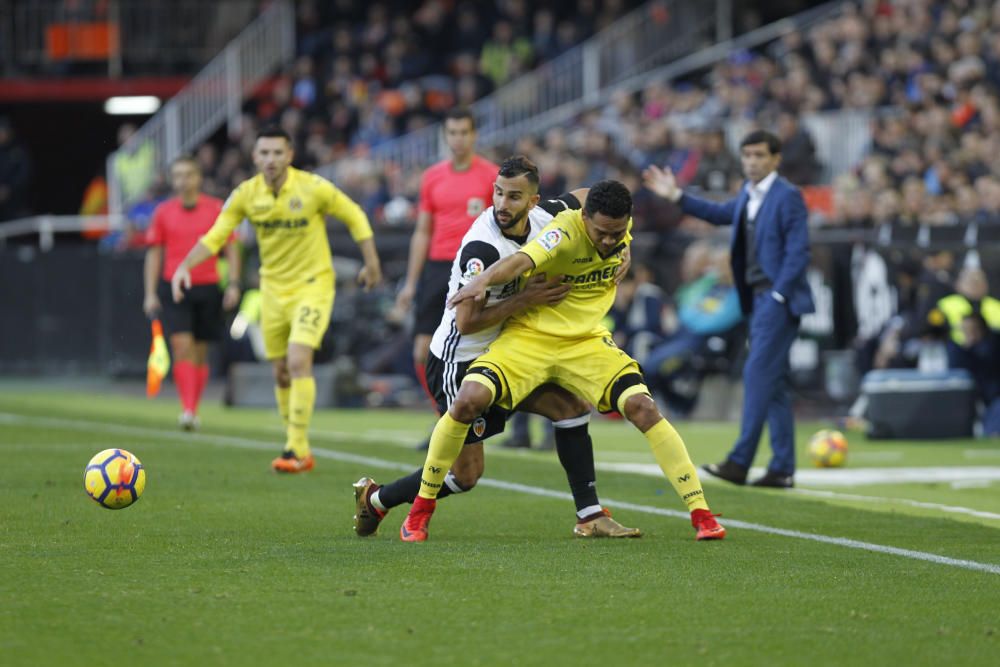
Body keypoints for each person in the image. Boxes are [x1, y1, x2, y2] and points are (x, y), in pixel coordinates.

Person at [398, 179, 726, 542]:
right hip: (527, 339)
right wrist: (481, 284)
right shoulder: (556, 234)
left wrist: (626, 247)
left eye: (615, 234)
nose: (606, 241)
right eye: (600, 233)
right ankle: (418, 510)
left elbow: (594, 195)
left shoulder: (613, 223)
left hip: (584, 341)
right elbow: (521, 261)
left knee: (640, 407)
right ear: (583, 219)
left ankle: (701, 514)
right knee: (468, 415)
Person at [354, 156, 640, 539]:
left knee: (571, 408)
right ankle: (378, 501)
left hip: (510, 353)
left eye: (514, 197)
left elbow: (594, 199)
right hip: (462, 360)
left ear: (534, 201)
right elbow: (467, 322)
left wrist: (622, 246)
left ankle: (590, 515)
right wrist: (526, 300)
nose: (503, 205)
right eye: (499, 194)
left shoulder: (548, 217)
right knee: (467, 475)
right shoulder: (483, 249)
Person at [171, 127, 382, 472]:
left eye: (277, 153)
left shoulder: (312, 188)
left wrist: (371, 262)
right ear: (255, 157)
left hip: (313, 285)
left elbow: (354, 214)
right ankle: (296, 444)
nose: (270, 160)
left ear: (289, 156)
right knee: (282, 372)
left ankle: (295, 448)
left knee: (299, 360)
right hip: (272, 291)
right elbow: (215, 236)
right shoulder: (245, 194)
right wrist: (185, 266)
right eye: (264, 153)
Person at [643, 129, 815, 488]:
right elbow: (717, 213)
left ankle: (740, 460)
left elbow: (799, 249)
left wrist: (781, 295)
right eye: (747, 155)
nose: (751, 161)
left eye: (759, 155)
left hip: (773, 299)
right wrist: (676, 195)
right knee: (776, 383)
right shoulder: (748, 195)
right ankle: (782, 468)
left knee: (756, 375)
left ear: (775, 159)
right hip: (757, 299)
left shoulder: (788, 197)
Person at [394, 108, 498, 432]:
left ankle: (506, 422)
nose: (458, 139)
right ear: (445, 136)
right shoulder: (433, 177)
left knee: (492, 348)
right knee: (422, 350)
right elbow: (423, 231)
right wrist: (411, 283)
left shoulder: (491, 175)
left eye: (464, 132)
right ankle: (444, 420)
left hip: (477, 267)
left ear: (474, 135)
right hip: (438, 268)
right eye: (452, 133)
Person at [143, 156, 240, 429]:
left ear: (198, 178)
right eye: (178, 175)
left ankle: (193, 407)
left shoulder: (215, 209)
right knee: (181, 346)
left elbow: (231, 247)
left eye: (188, 174)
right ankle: (187, 410)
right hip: (175, 287)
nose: (183, 180)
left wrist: (232, 283)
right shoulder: (163, 212)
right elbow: (154, 253)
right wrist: (150, 292)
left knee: (199, 350)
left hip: (208, 286)